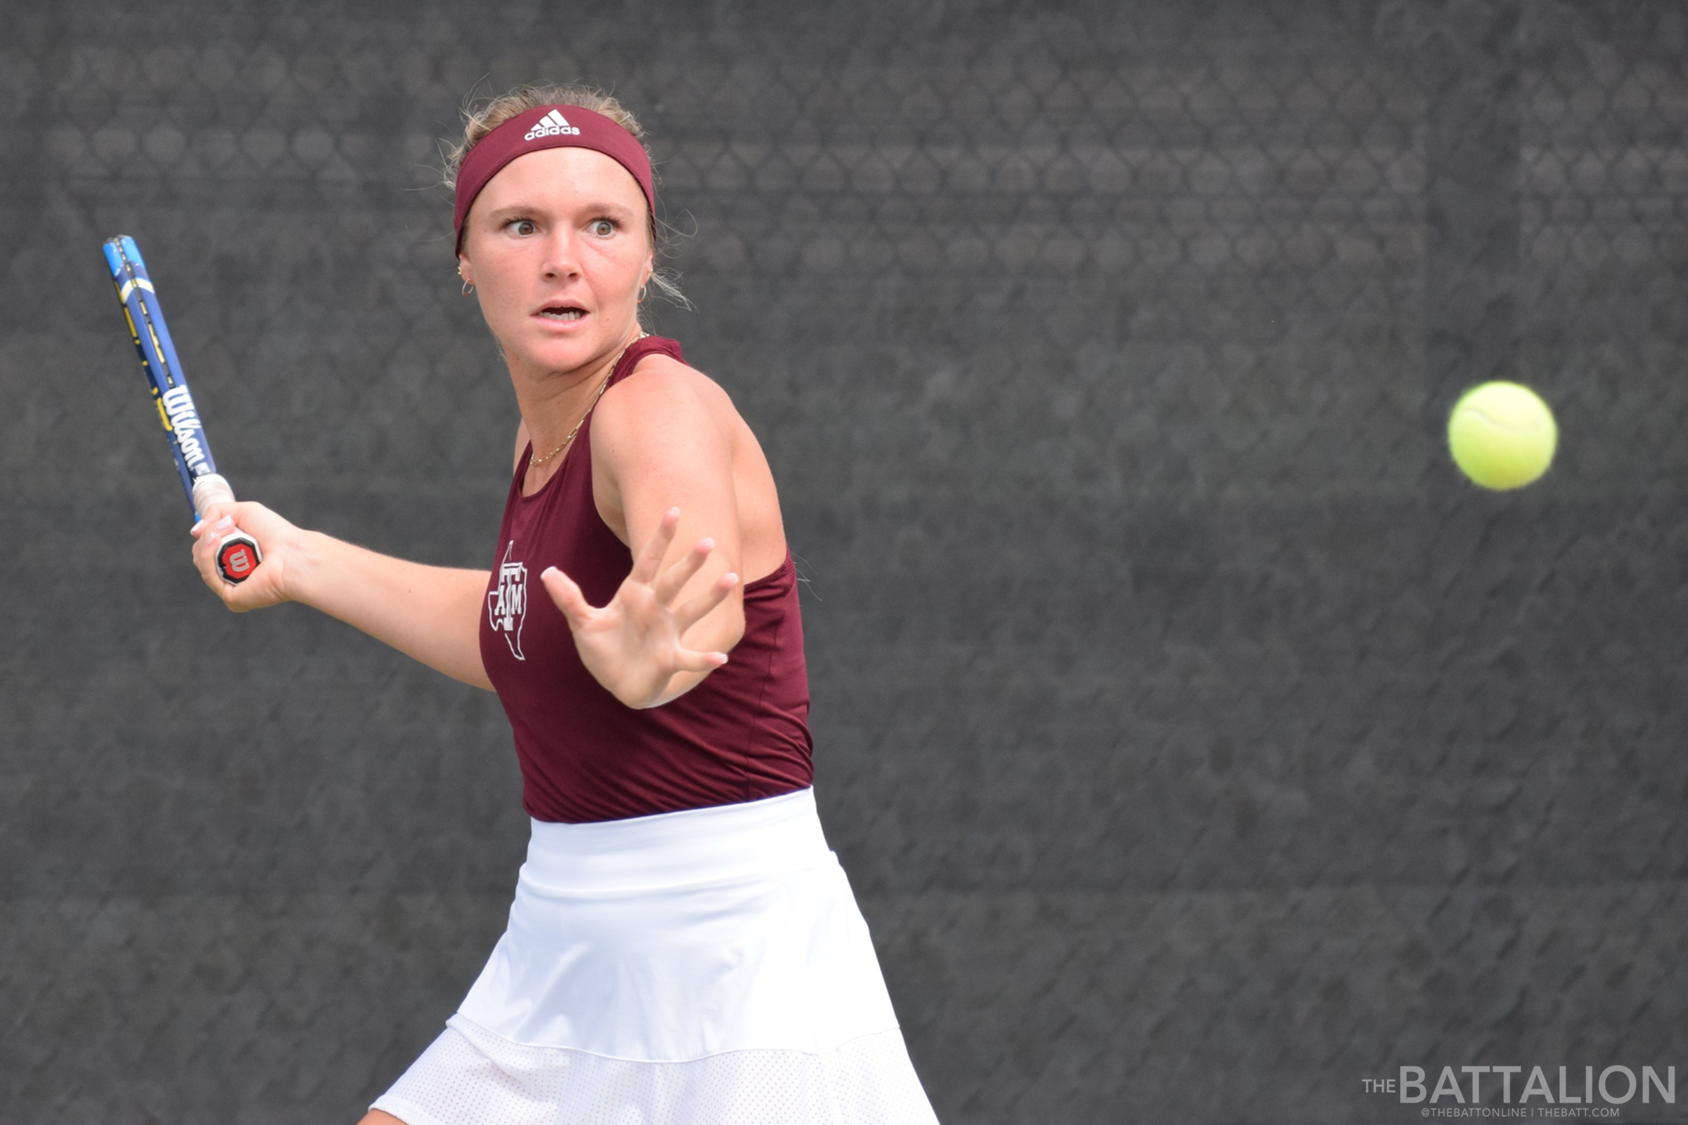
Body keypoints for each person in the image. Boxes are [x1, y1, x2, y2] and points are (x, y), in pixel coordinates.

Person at [189, 85, 940, 1124]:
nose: (561, 259)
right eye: (519, 225)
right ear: (464, 259)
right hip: (564, 933)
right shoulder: (546, 431)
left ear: (643, 256)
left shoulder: (655, 408)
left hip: (728, 948)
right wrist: (301, 559)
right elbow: (513, 627)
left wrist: (662, 650)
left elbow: (700, 593)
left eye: (601, 225)